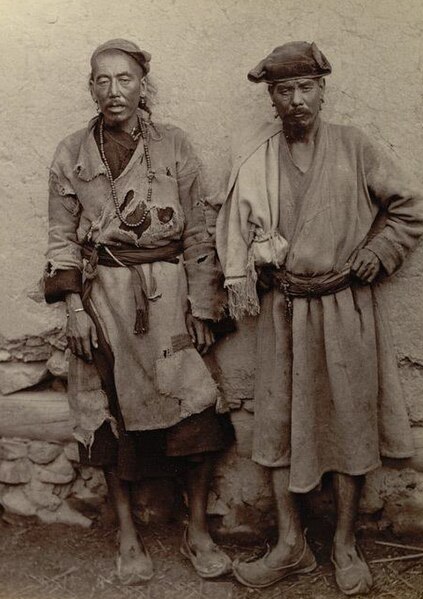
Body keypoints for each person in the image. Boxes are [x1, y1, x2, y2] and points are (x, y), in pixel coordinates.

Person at [216, 41, 423, 595]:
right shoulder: (258, 160)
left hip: (346, 308)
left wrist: (378, 252)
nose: (296, 100)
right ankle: (291, 546)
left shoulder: (355, 147)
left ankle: (344, 544)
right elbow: (239, 234)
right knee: (279, 422)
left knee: (350, 421)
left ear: (322, 90)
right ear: (272, 99)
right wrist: (257, 263)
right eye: (283, 91)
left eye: (305, 88)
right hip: (283, 311)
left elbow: (411, 208)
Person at [44, 38, 232, 585]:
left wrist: (203, 303)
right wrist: (74, 307)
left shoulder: (173, 145)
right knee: (105, 415)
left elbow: (199, 229)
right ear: (91, 88)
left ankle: (197, 530)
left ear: (143, 85)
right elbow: (60, 238)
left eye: (124, 79)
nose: (113, 91)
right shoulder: (72, 153)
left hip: (170, 297)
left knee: (197, 408)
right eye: (101, 81)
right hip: (103, 298)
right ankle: (127, 534)